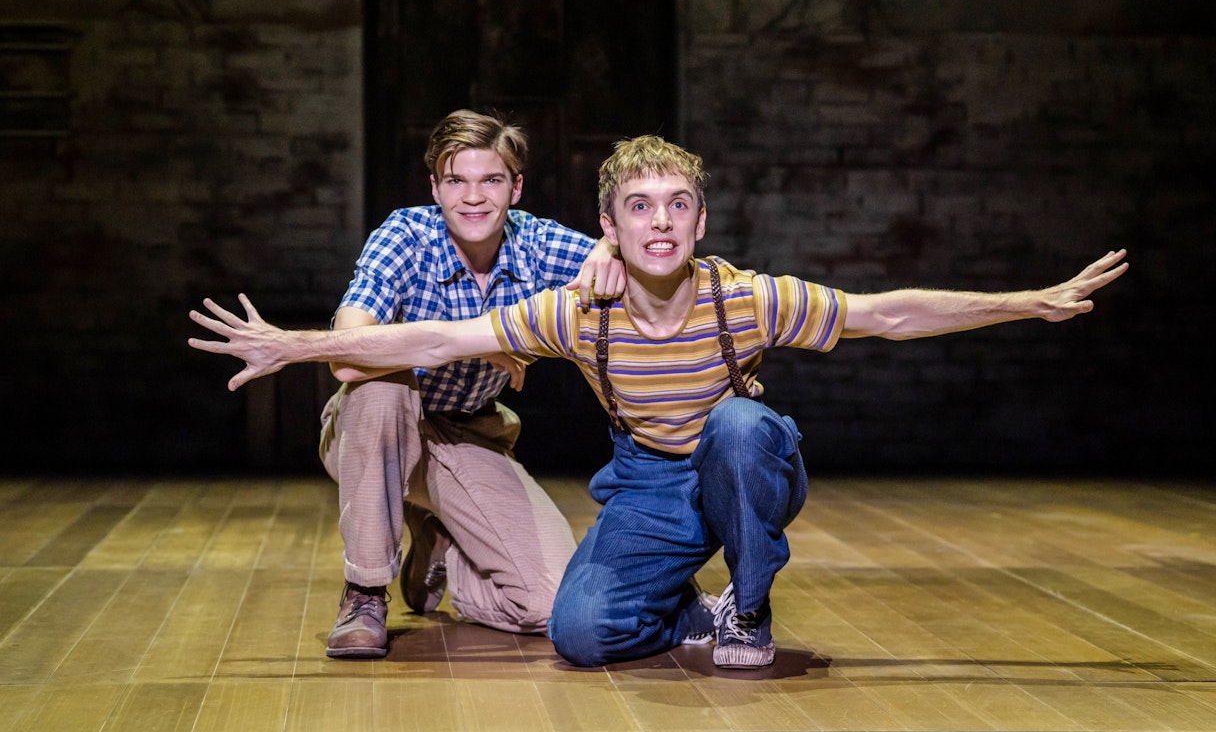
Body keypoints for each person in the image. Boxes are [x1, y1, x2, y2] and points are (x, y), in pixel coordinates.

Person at [189, 134, 1129, 671]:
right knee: (577, 631)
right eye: (640, 207)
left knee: (741, 423)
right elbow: (430, 341)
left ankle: (748, 611)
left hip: (735, 461)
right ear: (610, 226)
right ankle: (685, 609)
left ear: (701, 220)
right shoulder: (574, 310)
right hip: (646, 484)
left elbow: (885, 314)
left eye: (678, 205)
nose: (661, 221)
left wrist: (1026, 302)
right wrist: (294, 347)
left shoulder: (745, 298)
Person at [312, 109, 626, 659]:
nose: (474, 197)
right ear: (435, 188)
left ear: (516, 189)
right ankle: (364, 593)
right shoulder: (407, 236)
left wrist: (609, 247)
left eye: (492, 180)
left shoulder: (534, 243)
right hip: (375, 430)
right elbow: (347, 352)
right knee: (382, 385)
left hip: (469, 435)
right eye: (456, 180)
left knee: (553, 603)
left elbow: (634, 262)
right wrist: (480, 341)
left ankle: (444, 547)